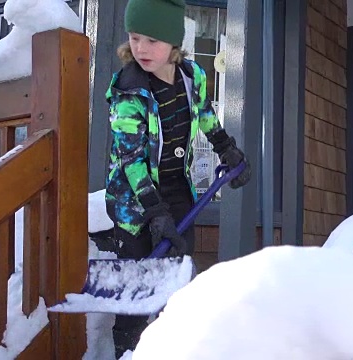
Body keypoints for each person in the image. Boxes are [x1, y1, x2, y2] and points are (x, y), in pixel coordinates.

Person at [104, 0, 251, 356]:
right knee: (136, 292)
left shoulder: (192, 76)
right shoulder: (129, 91)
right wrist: (154, 212)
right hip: (134, 203)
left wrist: (225, 148)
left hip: (177, 189)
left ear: (173, 42)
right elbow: (130, 158)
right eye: (135, 37)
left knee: (178, 276)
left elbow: (203, 114)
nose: (141, 48)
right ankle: (128, 349)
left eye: (152, 40)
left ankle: (172, 348)